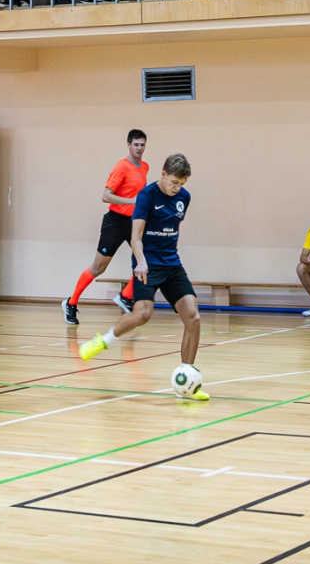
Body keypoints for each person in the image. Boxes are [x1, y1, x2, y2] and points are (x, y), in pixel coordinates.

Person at [75, 152, 210, 401]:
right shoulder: (147, 196)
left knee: (193, 317)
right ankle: (103, 340)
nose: (177, 188)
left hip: (172, 264)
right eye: (174, 182)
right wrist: (141, 261)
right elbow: (136, 236)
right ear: (163, 174)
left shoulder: (184, 197)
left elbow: (172, 229)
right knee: (142, 314)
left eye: (182, 184)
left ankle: (187, 380)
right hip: (146, 264)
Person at [63, 129, 150, 326]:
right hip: (115, 221)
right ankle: (71, 302)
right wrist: (132, 201)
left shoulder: (144, 167)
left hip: (134, 221)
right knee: (98, 267)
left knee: (148, 257)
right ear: (129, 145)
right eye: (136, 145)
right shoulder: (121, 166)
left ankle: (126, 296)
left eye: (142, 145)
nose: (139, 148)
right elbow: (106, 195)